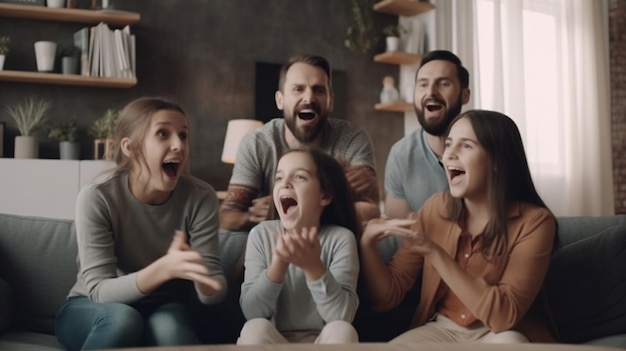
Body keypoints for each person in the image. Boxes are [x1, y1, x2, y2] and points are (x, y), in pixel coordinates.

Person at [360, 110, 557, 344]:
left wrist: (435, 252)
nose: (448, 155)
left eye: (466, 146)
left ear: (497, 161)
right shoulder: (435, 208)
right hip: (441, 329)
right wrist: (367, 245)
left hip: (500, 333)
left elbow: (504, 316)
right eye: (449, 144)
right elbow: (388, 296)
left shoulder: (536, 223)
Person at [55, 97, 227, 350]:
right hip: (91, 309)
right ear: (130, 147)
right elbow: (100, 291)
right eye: (162, 134)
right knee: (124, 320)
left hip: (164, 307)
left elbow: (214, 290)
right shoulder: (97, 196)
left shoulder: (201, 197)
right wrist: (164, 269)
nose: (178, 145)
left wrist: (204, 280)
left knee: (170, 332)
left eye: (183, 135)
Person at [220, 54, 380, 232]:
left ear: (330, 101)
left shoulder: (352, 138)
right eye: (298, 89)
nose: (309, 98)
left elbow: (371, 210)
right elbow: (226, 217)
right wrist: (250, 217)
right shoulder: (257, 143)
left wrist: (286, 211)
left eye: (318, 90)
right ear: (280, 100)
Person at [237, 148, 361, 344]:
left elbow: (342, 315)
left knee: (342, 330)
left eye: (300, 177)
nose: (285, 184)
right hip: (274, 342)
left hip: (323, 341)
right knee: (254, 329)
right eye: (279, 178)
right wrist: (279, 263)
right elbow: (252, 312)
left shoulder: (341, 238)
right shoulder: (260, 235)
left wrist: (314, 267)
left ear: (325, 196)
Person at [384, 50, 471, 219]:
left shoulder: (488, 148)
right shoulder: (400, 155)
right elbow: (400, 236)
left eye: (444, 83)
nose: (431, 92)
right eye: (423, 84)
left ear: (465, 95)